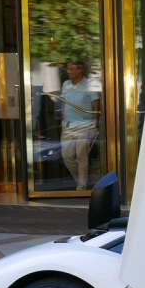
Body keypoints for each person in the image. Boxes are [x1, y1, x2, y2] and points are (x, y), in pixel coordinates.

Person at [59, 58, 100, 191]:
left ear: (80, 70)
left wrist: (94, 126)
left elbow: (96, 106)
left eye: (71, 69)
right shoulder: (66, 84)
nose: (68, 72)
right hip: (68, 125)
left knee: (81, 157)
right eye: (68, 69)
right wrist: (62, 119)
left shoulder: (90, 84)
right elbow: (64, 103)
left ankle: (81, 187)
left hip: (84, 125)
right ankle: (80, 181)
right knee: (67, 156)